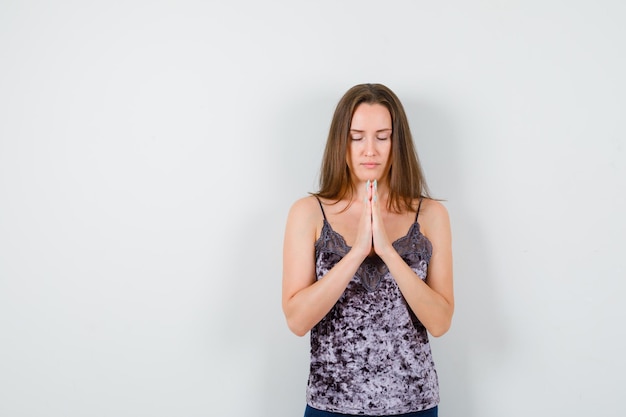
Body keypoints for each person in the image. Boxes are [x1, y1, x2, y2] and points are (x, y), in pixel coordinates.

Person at [282, 83, 454, 417]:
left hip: (414, 405)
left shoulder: (431, 215)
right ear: (341, 142)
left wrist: (388, 251)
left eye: (382, 136)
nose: (369, 150)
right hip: (330, 406)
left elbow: (440, 322)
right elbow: (297, 320)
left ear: (397, 142)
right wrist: (358, 250)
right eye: (356, 136)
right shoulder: (308, 213)